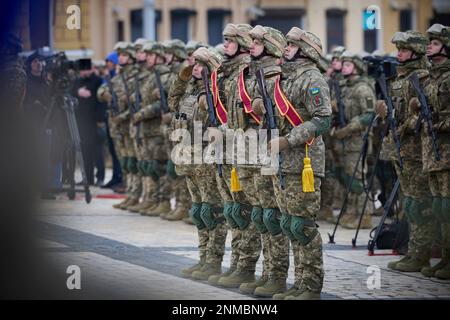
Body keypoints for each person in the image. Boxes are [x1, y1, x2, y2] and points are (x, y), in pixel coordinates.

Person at [268, 27, 332, 300]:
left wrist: (289, 140)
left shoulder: (312, 79)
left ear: (305, 51)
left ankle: (311, 286)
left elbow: (323, 119)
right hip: (282, 162)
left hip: (304, 161)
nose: (286, 48)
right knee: (288, 224)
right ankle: (298, 283)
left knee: (302, 226)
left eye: (292, 45)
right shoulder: (284, 79)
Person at [376, 31, 434, 273]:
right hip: (400, 151)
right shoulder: (398, 79)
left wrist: (402, 126)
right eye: (398, 49)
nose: (399, 53)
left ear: (416, 52)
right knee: (409, 203)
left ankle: (421, 253)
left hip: (416, 151)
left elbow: (422, 116)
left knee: (420, 203)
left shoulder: (420, 78)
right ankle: (414, 251)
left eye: (404, 49)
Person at [331, 51, 376, 229]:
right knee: (346, 177)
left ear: (357, 67)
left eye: (348, 65)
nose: (344, 67)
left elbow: (370, 114)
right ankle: (351, 211)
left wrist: (349, 128)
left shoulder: (363, 88)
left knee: (358, 179)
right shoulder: (344, 88)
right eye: (344, 64)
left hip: (357, 140)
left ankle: (365, 215)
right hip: (342, 141)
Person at [419, 24, 450, 279]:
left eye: (436, 43)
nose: (430, 46)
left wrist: (436, 125)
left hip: (447, 153)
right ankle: (443, 258)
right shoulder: (431, 78)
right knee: (439, 207)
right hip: (432, 152)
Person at [71, 58, 104, 185]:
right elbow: (69, 92)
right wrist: (78, 92)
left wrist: (100, 119)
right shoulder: (77, 81)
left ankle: (100, 177)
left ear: (91, 69)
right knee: (84, 150)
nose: (84, 73)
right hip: (81, 121)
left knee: (97, 151)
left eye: (86, 70)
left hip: (94, 121)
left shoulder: (98, 81)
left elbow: (102, 102)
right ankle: (88, 179)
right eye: (82, 71)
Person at [101, 51, 123, 189]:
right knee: (112, 150)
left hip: (120, 118)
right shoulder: (108, 77)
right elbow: (101, 92)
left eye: (110, 62)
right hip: (110, 117)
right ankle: (115, 177)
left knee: (120, 151)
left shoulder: (119, 77)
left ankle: (121, 177)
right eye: (107, 62)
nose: (108, 65)